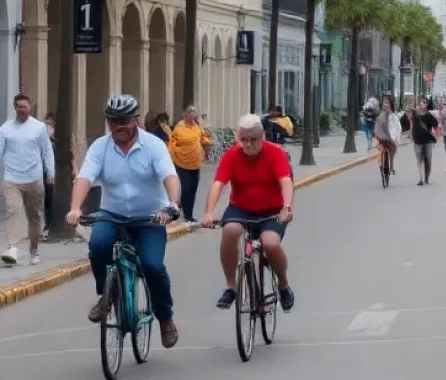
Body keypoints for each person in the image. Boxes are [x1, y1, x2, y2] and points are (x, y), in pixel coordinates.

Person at [66, 94, 182, 348]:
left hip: (151, 215)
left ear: (136, 120)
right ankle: (106, 296)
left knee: (152, 266)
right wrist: (75, 209)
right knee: (98, 246)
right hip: (112, 213)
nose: (118, 126)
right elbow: (85, 178)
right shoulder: (100, 147)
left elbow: (169, 177)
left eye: (124, 120)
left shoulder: (153, 145)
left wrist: (172, 205)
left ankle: (165, 318)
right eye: (113, 121)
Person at [201, 114, 295, 312]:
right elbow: (218, 184)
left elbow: (285, 181)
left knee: (270, 243)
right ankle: (230, 287)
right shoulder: (232, 155)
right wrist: (209, 212)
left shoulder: (275, 153)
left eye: (253, 140)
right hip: (241, 208)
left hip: (272, 209)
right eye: (243, 140)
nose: (248, 144)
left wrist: (286, 207)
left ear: (262, 137)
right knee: (230, 231)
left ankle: (284, 284)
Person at [0, 93, 54, 266]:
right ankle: (12, 248)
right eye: (18, 107)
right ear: (15, 108)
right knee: (12, 211)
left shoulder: (39, 128)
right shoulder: (5, 129)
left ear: (30, 107)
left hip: (34, 178)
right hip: (11, 179)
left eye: (24, 106)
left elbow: (46, 150)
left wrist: (50, 171)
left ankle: (34, 250)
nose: (22, 109)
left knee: (35, 217)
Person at [167, 104, 211, 225]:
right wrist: (173, 154)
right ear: (184, 114)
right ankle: (174, 209)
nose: (192, 114)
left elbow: (202, 138)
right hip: (182, 162)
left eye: (194, 112)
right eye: (190, 111)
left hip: (195, 163)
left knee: (193, 189)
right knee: (184, 188)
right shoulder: (179, 127)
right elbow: (172, 142)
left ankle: (189, 215)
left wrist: (208, 143)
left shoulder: (197, 126)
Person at [411, 98, 439, 185]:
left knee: (428, 158)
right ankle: (420, 179)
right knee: (419, 159)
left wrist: (436, 134)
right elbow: (411, 126)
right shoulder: (414, 115)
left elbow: (435, 125)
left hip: (428, 140)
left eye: (424, 104)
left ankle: (427, 177)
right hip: (418, 140)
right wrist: (411, 135)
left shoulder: (429, 115)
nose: (423, 105)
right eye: (421, 104)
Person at [375, 97, 399, 176]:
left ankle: (391, 166)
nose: (386, 105)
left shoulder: (393, 117)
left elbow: (396, 127)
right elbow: (377, 126)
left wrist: (395, 136)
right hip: (382, 136)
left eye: (387, 103)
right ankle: (381, 165)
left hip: (391, 136)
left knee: (393, 148)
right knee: (380, 150)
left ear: (390, 105)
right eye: (384, 103)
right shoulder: (380, 116)